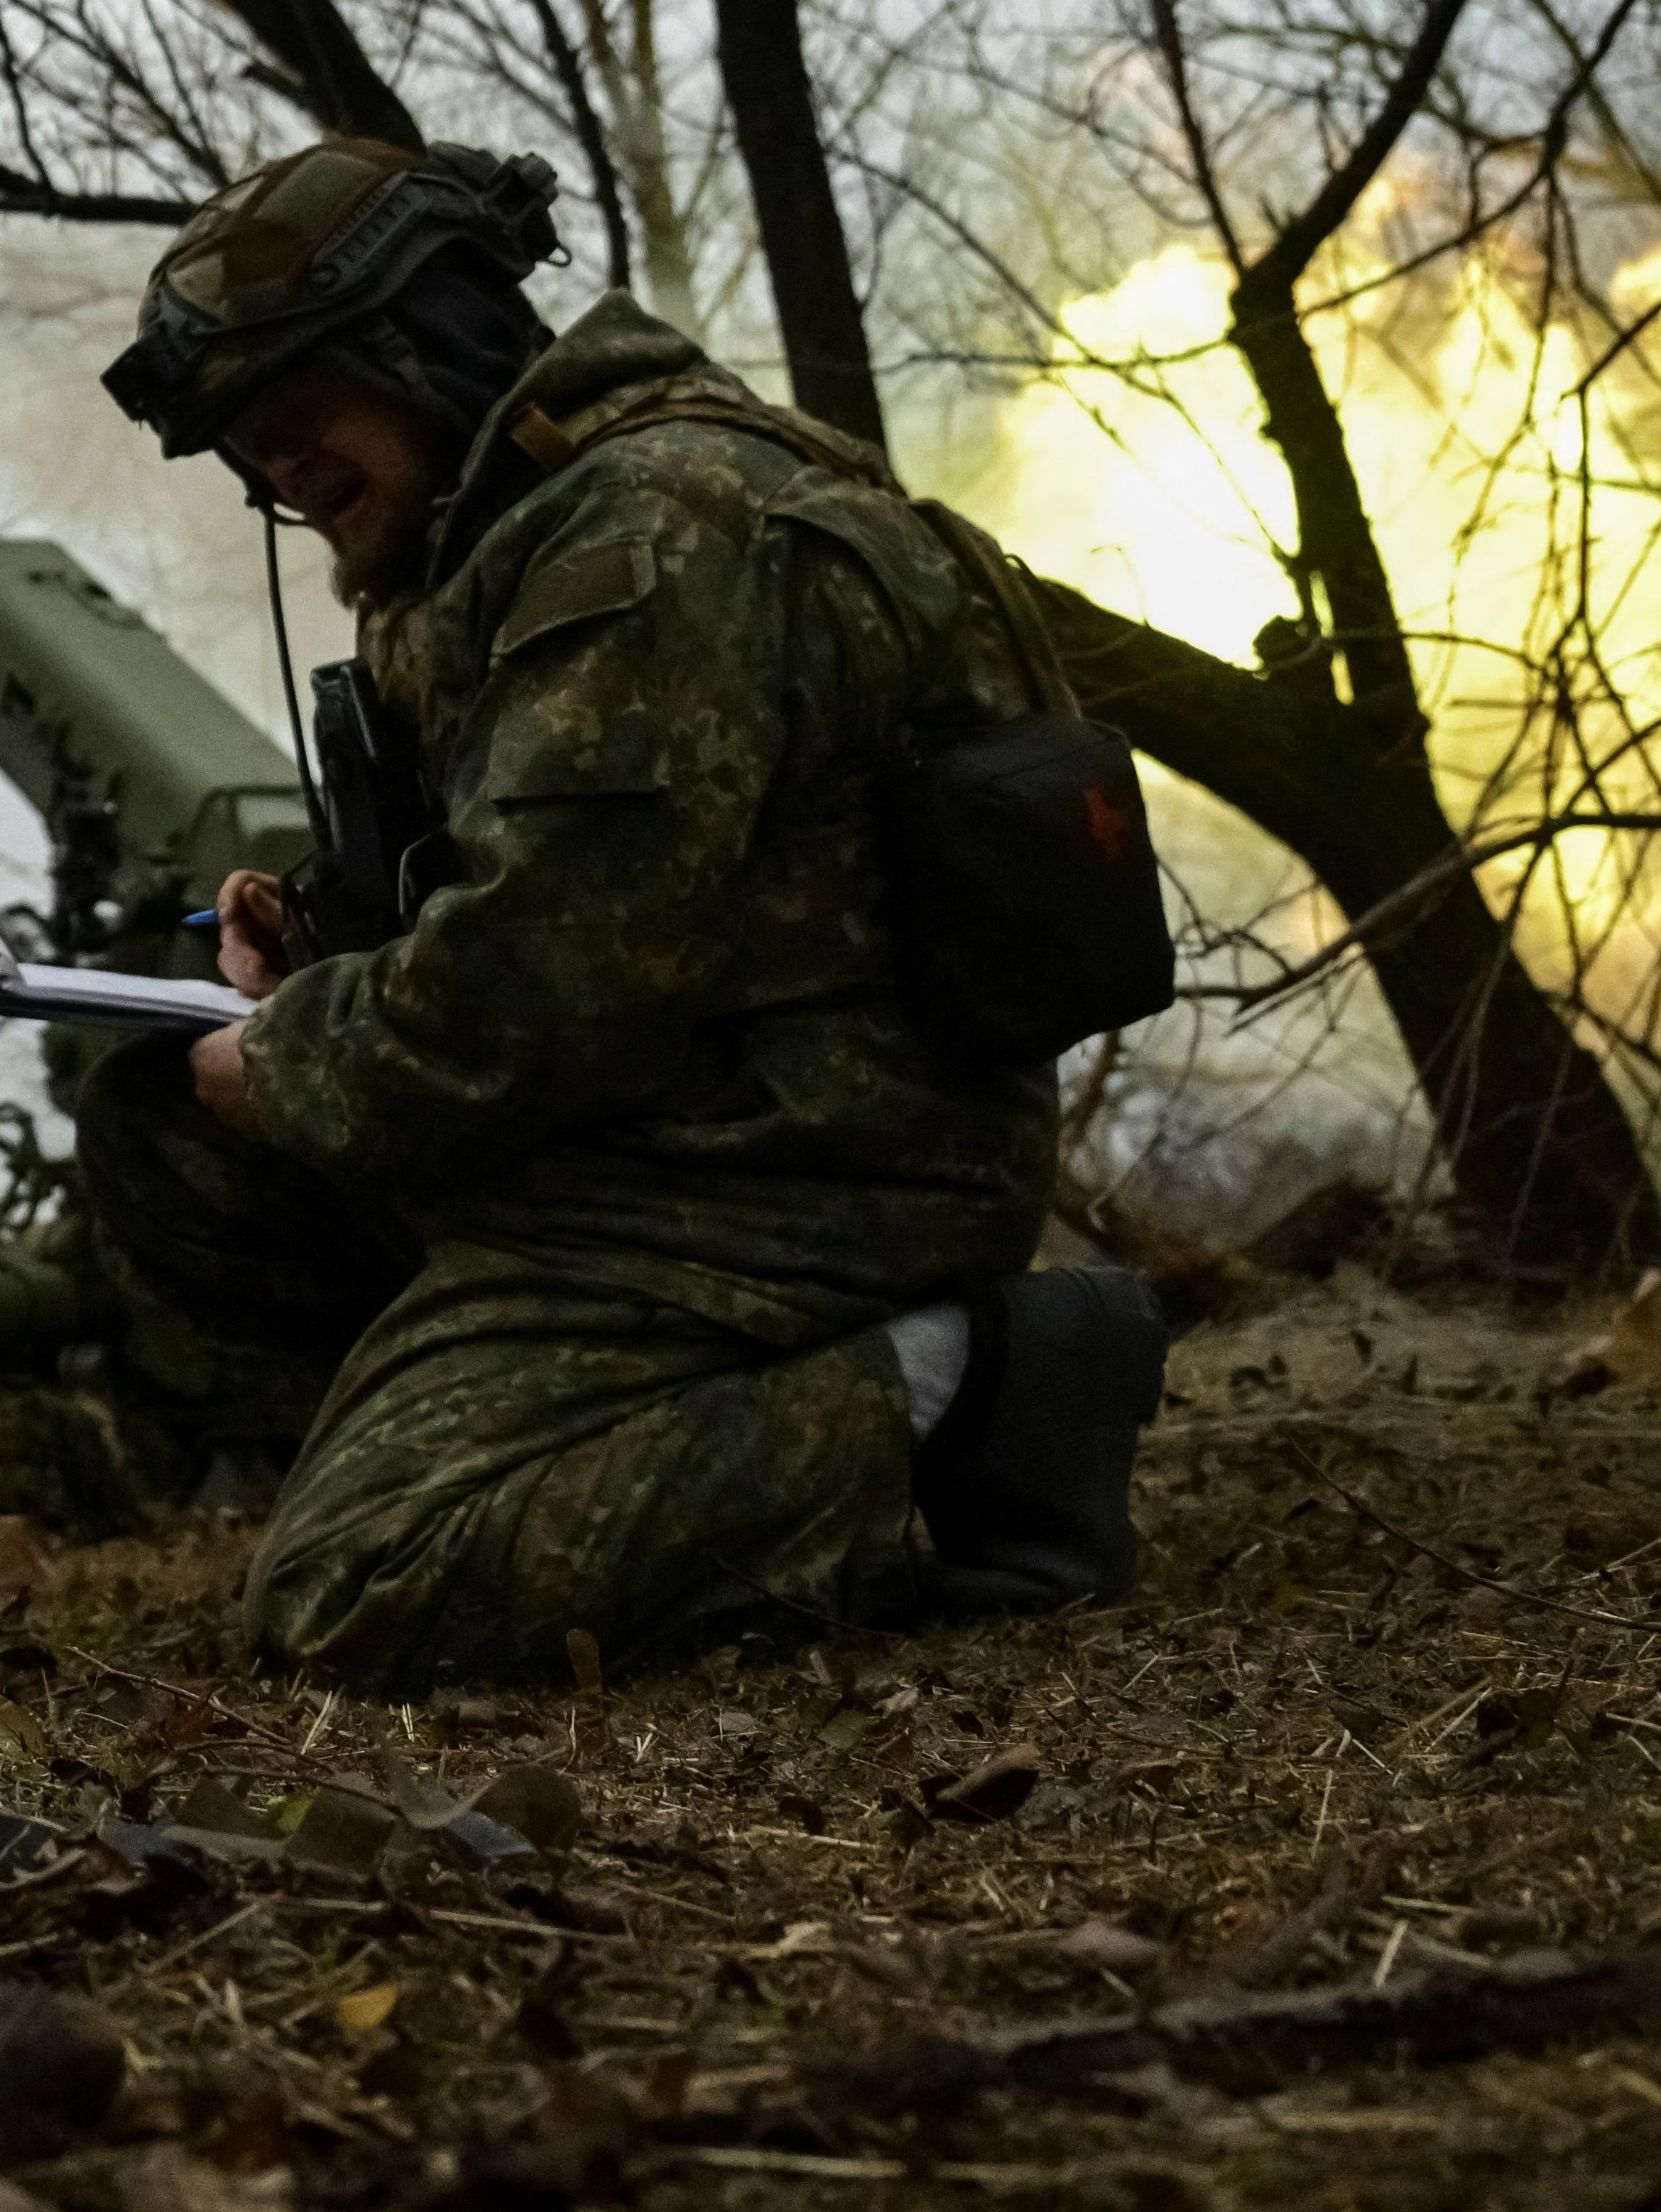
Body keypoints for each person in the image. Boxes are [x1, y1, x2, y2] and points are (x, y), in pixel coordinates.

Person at [84, 134, 1169, 1688]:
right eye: (243, 440)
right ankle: (537, 1428)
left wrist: (294, 1052)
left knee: (355, 1584)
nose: (276, 467)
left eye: (295, 405)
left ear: (420, 343)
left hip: (796, 1181)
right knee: (166, 1136)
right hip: (687, 1124)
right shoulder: (520, 531)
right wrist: (315, 957)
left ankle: (953, 1390)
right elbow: (583, 901)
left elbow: (536, 991)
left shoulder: (650, 535)